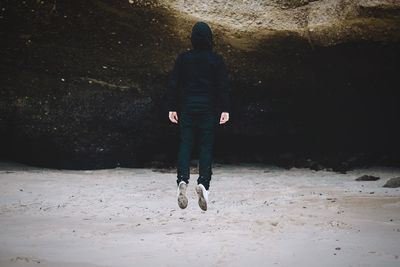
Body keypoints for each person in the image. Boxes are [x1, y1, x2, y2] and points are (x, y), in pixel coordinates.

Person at [167, 21, 230, 211]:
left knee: (185, 144)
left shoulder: (183, 59)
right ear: (210, 39)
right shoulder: (216, 60)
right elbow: (223, 86)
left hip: (187, 108)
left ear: (192, 39)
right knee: (205, 146)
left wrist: (172, 108)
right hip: (208, 109)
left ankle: (182, 180)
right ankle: (203, 184)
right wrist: (225, 109)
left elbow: (174, 84)